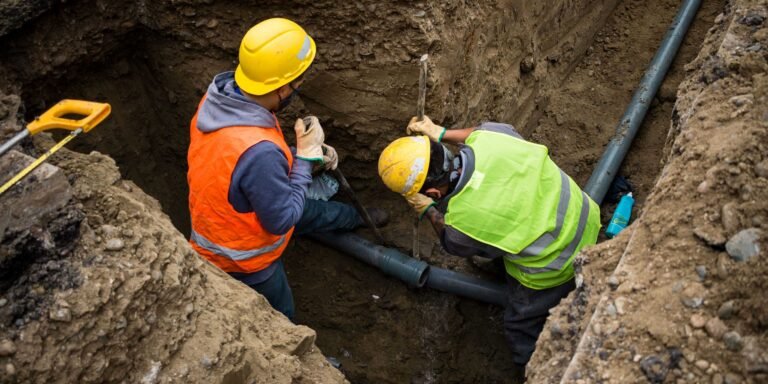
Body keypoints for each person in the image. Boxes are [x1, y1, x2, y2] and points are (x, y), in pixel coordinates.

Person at [187, 18, 385, 321]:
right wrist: (304, 159)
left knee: (313, 211)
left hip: (228, 212)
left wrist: (304, 155)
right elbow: (280, 219)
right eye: (298, 82)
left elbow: (246, 160)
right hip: (241, 258)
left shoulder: (221, 103)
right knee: (282, 317)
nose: (299, 87)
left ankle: (357, 218)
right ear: (281, 89)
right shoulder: (259, 151)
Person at [378, 116, 601, 379]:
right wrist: (441, 132)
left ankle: (536, 373)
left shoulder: (463, 224)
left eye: (431, 198)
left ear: (435, 194)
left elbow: (450, 241)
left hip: (558, 264)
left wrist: (427, 210)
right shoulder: (492, 138)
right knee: (502, 238)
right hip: (585, 216)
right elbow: (479, 131)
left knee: (519, 325)